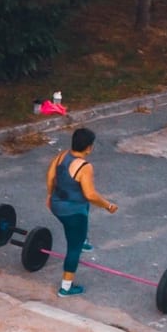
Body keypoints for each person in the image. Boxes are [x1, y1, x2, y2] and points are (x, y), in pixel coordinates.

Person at [44, 127, 118, 297]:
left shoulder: (61, 156)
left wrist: (49, 196)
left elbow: (50, 177)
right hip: (72, 214)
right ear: (89, 147)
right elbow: (90, 194)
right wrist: (108, 206)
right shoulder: (85, 167)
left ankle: (83, 239)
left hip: (56, 205)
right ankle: (66, 288)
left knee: (84, 207)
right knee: (73, 248)